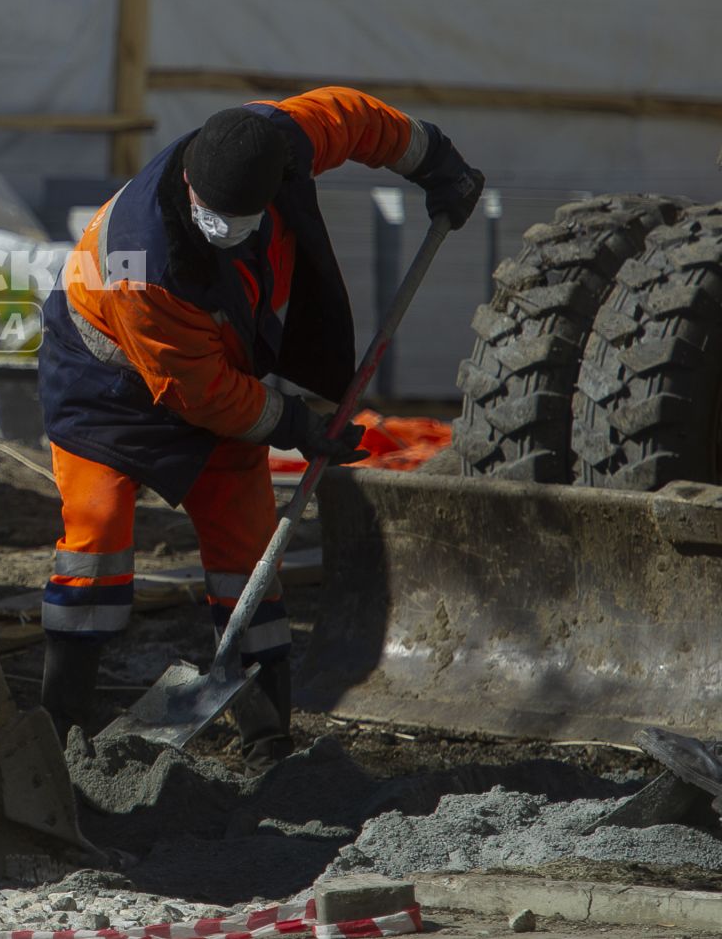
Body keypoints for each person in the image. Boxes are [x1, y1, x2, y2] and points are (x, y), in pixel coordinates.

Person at [36, 87, 483, 766]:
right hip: (106, 381)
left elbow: (358, 119)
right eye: (211, 216)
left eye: (238, 217)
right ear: (188, 186)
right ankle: (59, 722)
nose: (222, 226)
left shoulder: (277, 137)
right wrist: (295, 421)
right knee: (95, 537)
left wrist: (435, 160)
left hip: (212, 369)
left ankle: (268, 732)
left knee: (248, 541)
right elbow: (197, 392)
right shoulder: (141, 261)